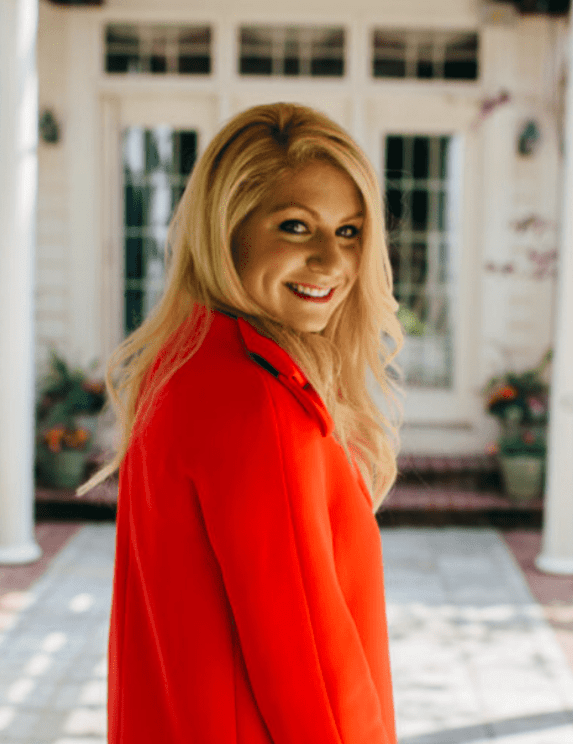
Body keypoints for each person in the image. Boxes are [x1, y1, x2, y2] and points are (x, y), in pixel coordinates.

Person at [83, 102, 404, 743]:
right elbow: (313, 672)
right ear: (229, 231)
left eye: (348, 232)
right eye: (295, 226)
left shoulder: (183, 369)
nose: (333, 262)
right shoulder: (258, 401)